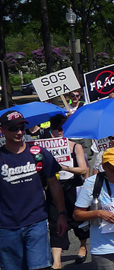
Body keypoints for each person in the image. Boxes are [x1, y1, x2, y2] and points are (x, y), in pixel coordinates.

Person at [0, 110, 68, 270]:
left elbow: (54, 184)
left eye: (22, 128)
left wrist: (62, 215)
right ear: (2, 130)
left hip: (36, 221)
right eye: (13, 129)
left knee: (40, 266)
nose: (19, 132)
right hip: (6, 226)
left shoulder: (38, 153)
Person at [48, 114, 90, 268]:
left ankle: (83, 245)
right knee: (55, 222)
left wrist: (66, 168)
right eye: (55, 129)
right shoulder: (46, 149)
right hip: (54, 188)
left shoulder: (75, 146)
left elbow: (84, 168)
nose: (58, 132)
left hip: (73, 187)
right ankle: (57, 261)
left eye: (61, 129)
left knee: (79, 220)